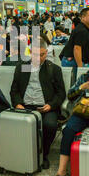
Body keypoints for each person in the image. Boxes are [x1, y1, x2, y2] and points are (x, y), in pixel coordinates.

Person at [10, 39, 66, 169]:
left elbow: (61, 93)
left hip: (46, 106)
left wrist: (51, 105)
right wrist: (18, 103)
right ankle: (24, 152)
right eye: (35, 55)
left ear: (46, 53)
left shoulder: (54, 69)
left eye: (42, 55)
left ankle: (43, 153)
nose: (39, 58)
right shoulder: (22, 67)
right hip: (26, 105)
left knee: (50, 125)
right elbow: (14, 90)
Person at [60, 8, 89, 73]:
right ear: (83, 17)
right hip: (73, 61)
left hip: (72, 60)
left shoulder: (83, 28)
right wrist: (80, 68)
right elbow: (77, 48)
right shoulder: (82, 30)